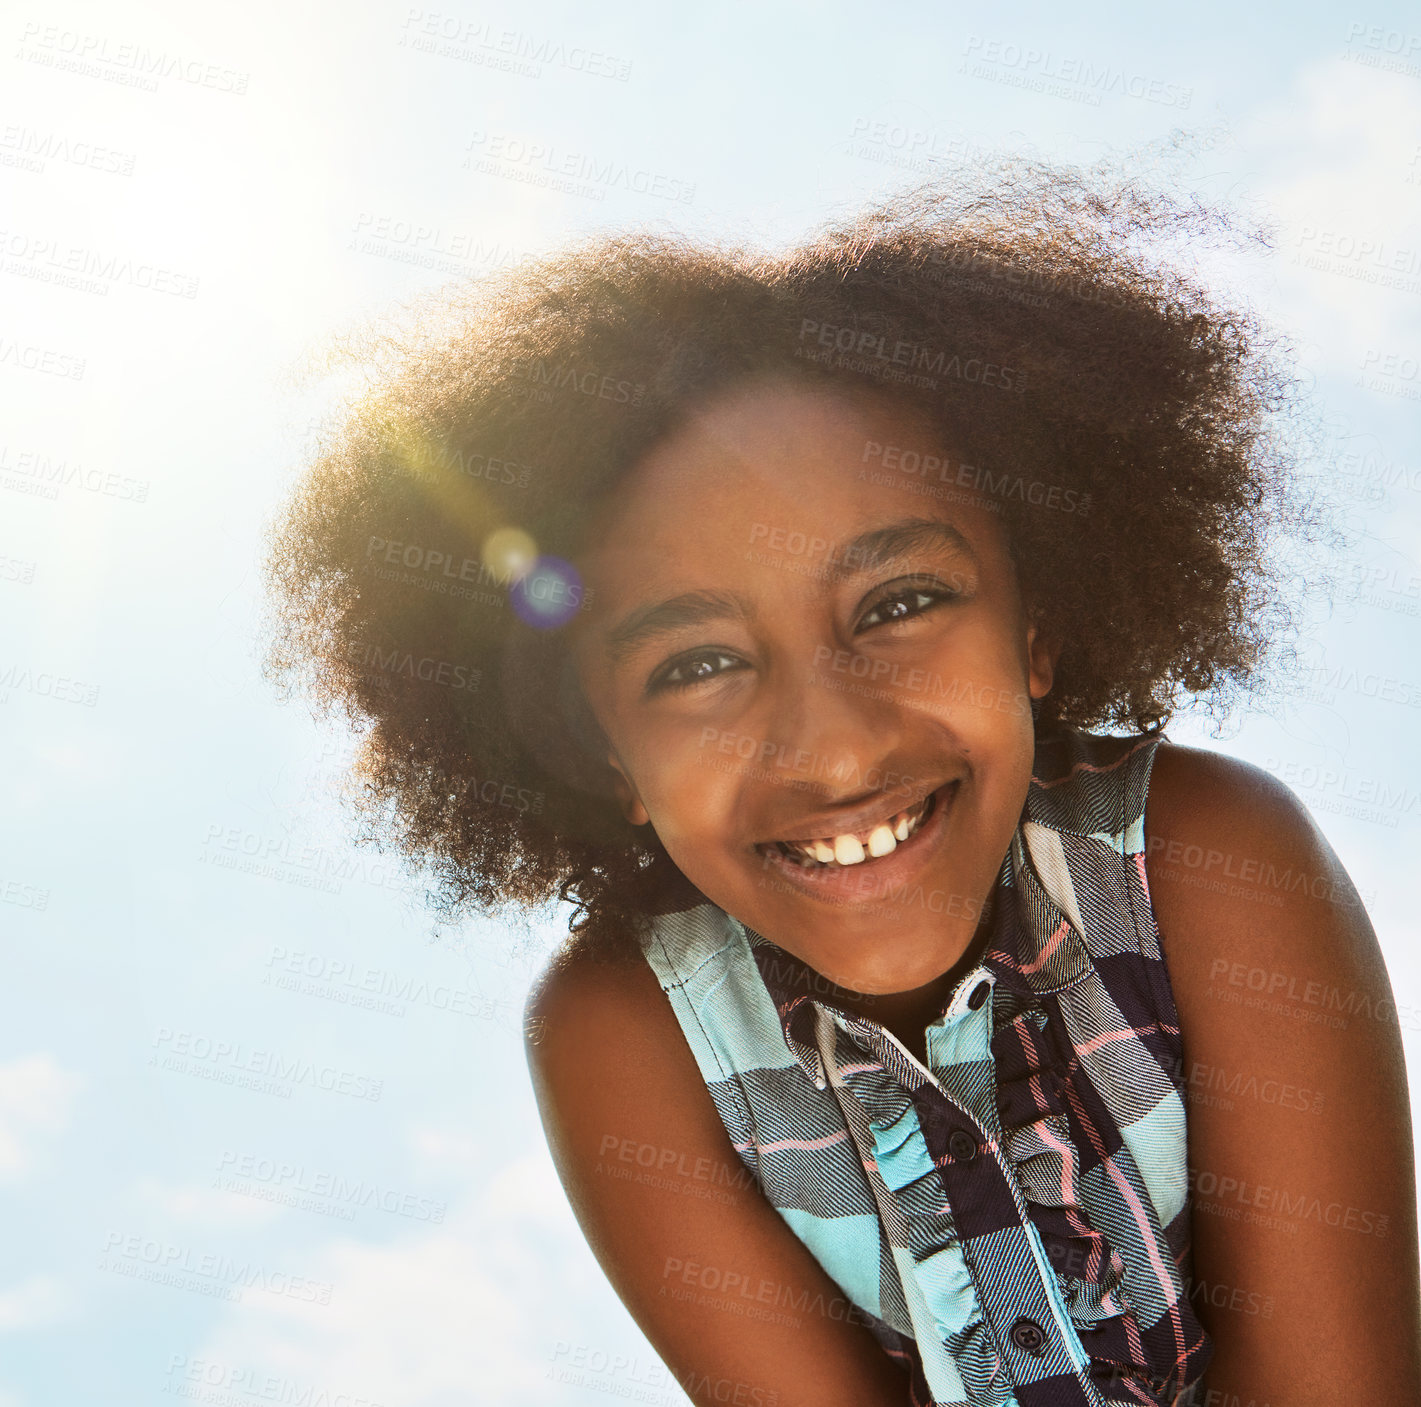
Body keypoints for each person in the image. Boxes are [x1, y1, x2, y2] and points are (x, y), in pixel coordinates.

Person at [261, 154, 1421, 1406]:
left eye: (901, 601)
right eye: (695, 664)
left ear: (1036, 625)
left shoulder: (1205, 857)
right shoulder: (629, 1035)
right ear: (612, 759)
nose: (834, 751)